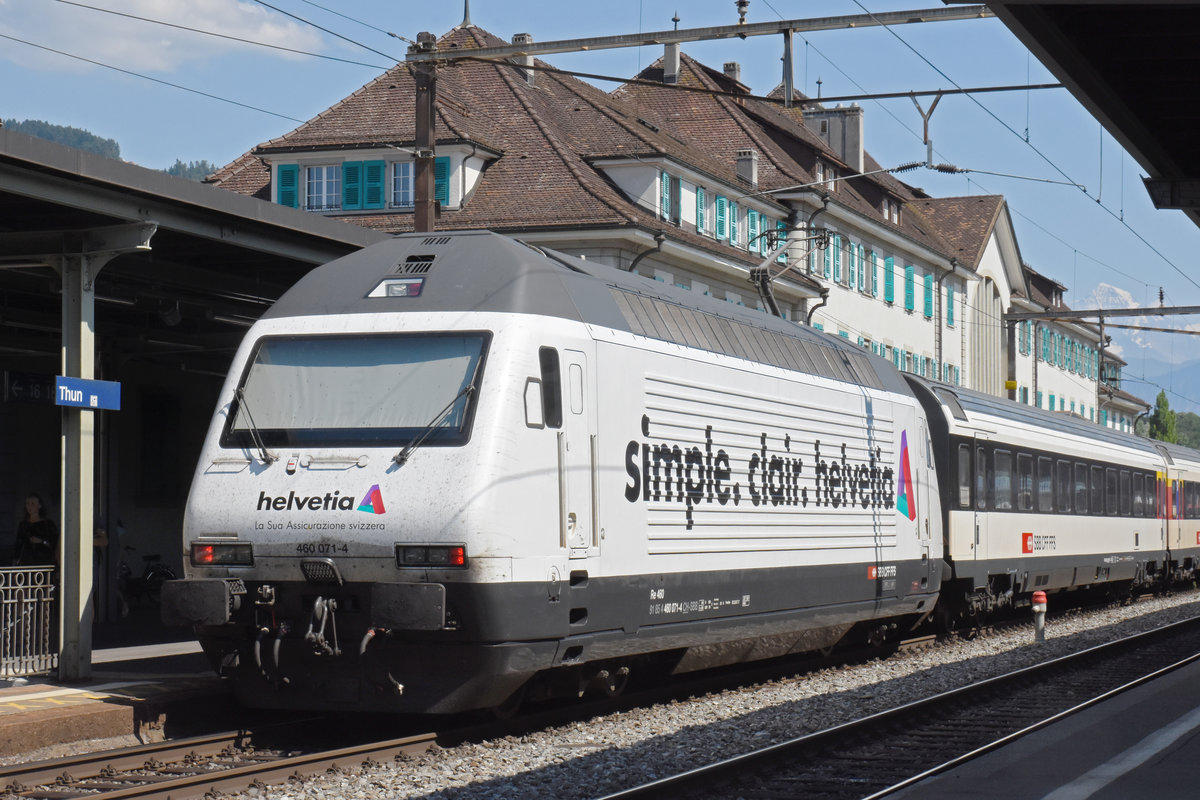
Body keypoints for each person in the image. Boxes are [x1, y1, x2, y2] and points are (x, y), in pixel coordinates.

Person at [14, 493, 57, 566]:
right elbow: (18, 544)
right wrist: (15, 560)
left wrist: (41, 541)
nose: (29, 507)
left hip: (44, 562)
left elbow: (54, 544)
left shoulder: (48, 524)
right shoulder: (23, 524)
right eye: (27, 504)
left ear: (39, 506)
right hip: (27, 562)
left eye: (32, 504)